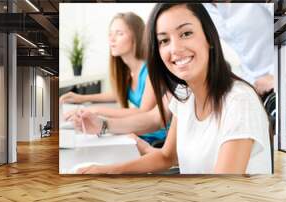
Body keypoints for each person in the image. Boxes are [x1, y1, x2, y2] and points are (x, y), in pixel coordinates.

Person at [74, 3, 272, 174]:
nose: (175, 49)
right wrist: (106, 170)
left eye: (186, 33)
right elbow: (167, 157)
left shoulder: (239, 101)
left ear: (209, 38)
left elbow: (221, 192)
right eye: (164, 40)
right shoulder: (183, 94)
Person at [61, 12, 166, 144]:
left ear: (136, 37)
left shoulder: (151, 70)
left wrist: (94, 110)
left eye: (119, 33)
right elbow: (117, 94)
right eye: (110, 34)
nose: (112, 39)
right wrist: (82, 98)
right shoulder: (128, 71)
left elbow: (143, 112)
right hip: (138, 133)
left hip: (155, 139)